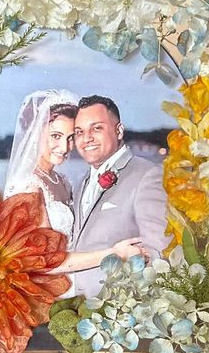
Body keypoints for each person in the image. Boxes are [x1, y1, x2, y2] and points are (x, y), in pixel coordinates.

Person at [3, 90, 145, 277]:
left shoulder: (61, 181)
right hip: (50, 287)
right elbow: (44, 261)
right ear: (35, 132)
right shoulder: (30, 187)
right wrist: (114, 253)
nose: (64, 147)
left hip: (77, 280)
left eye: (71, 138)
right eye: (55, 136)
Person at [70, 94, 168, 298]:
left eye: (96, 128)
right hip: (79, 310)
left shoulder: (147, 175)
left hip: (122, 315)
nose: (86, 138)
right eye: (79, 132)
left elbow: (160, 254)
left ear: (119, 130)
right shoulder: (81, 183)